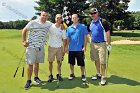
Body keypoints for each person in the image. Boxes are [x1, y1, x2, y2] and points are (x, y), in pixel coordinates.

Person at [22, 10, 53, 90]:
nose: (45, 17)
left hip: (40, 47)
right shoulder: (33, 22)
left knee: (37, 63)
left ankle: (36, 77)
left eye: (46, 16)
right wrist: (24, 41)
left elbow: (56, 26)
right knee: (30, 64)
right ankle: (28, 81)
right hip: (31, 46)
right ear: (40, 15)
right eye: (43, 15)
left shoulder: (49, 24)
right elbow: (24, 30)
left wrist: (63, 25)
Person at [88, 8, 111, 85]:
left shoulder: (103, 22)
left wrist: (109, 43)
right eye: (91, 14)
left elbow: (108, 33)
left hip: (102, 44)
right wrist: (90, 39)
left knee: (102, 61)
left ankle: (103, 76)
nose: (93, 15)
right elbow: (89, 32)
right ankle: (98, 73)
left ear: (97, 13)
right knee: (96, 59)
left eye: (94, 13)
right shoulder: (90, 23)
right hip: (93, 44)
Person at [65, 14, 88, 82]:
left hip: (80, 49)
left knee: (81, 63)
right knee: (71, 63)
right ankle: (72, 74)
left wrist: (84, 46)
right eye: (73, 18)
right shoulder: (69, 28)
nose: (74, 19)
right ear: (71, 19)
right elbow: (68, 38)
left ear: (78, 18)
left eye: (75, 17)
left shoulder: (83, 26)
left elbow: (85, 37)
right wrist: (67, 47)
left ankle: (82, 75)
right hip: (71, 49)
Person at [47, 14, 67, 82]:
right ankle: (50, 75)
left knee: (59, 62)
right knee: (50, 62)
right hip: (51, 47)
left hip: (59, 47)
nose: (58, 19)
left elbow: (64, 39)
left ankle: (58, 74)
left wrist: (64, 49)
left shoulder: (63, 28)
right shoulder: (50, 26)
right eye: (57, 18)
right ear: (55, 19)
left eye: (60, 18)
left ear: (61, 19)